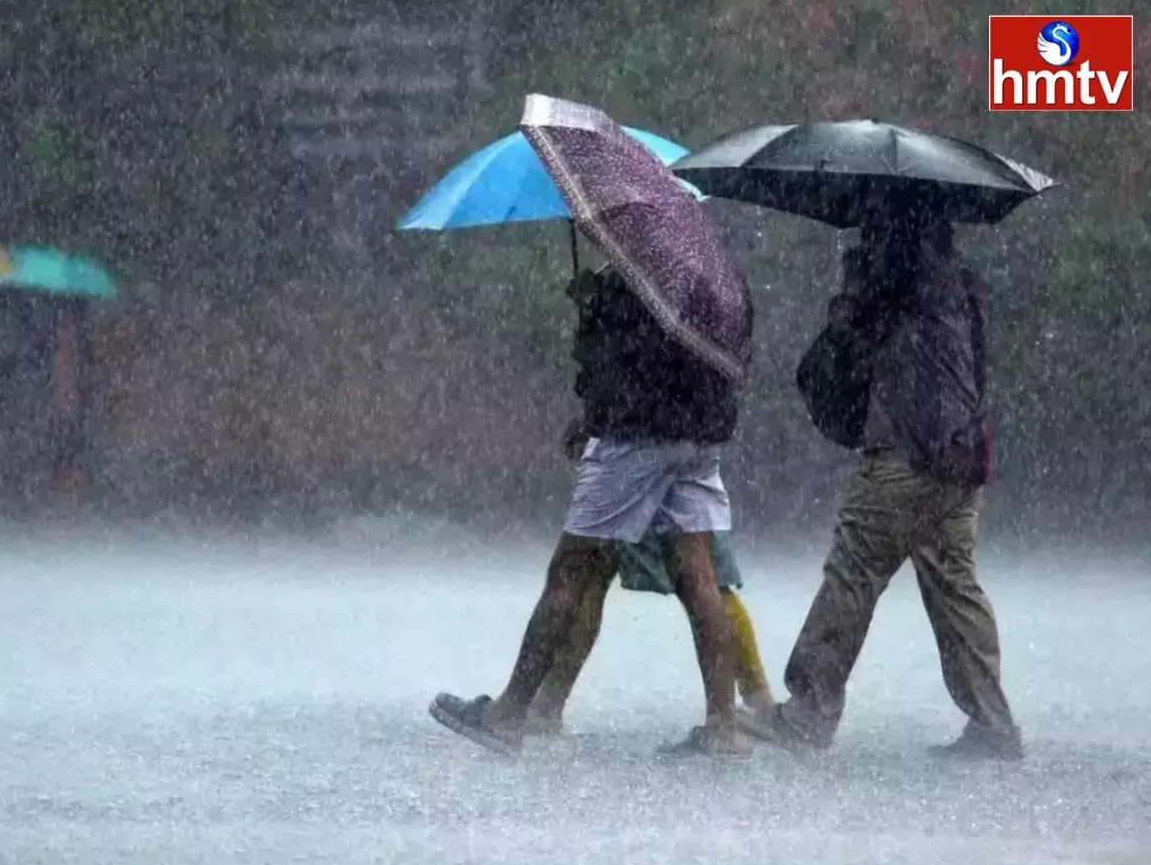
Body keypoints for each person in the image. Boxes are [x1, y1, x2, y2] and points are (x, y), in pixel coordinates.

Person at [429, 263, 752, 758]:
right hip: (702, 436)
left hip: (637, 436)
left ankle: (510, 712)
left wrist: (594, 308)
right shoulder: (717, 275)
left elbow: (615, 367)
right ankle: (723, 727)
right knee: (699, 575)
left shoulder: (633, 274)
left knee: (572, 569)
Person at [744, 198, 1023, 760]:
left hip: (906, 457)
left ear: (892, 230)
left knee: (852, 573)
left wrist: (853, 291)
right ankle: (992, 722)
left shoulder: (896, 279)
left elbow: (839, 349)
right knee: (955, 587)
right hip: (960, 456)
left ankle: (807, 713)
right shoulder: (958, 284)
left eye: (874, 226)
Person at [522, 421, 775, 735]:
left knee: (590, 572)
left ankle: (545, 705)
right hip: (693, 431)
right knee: (707, 581)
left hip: (638, 435)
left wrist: (597, 415)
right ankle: (751, 705)